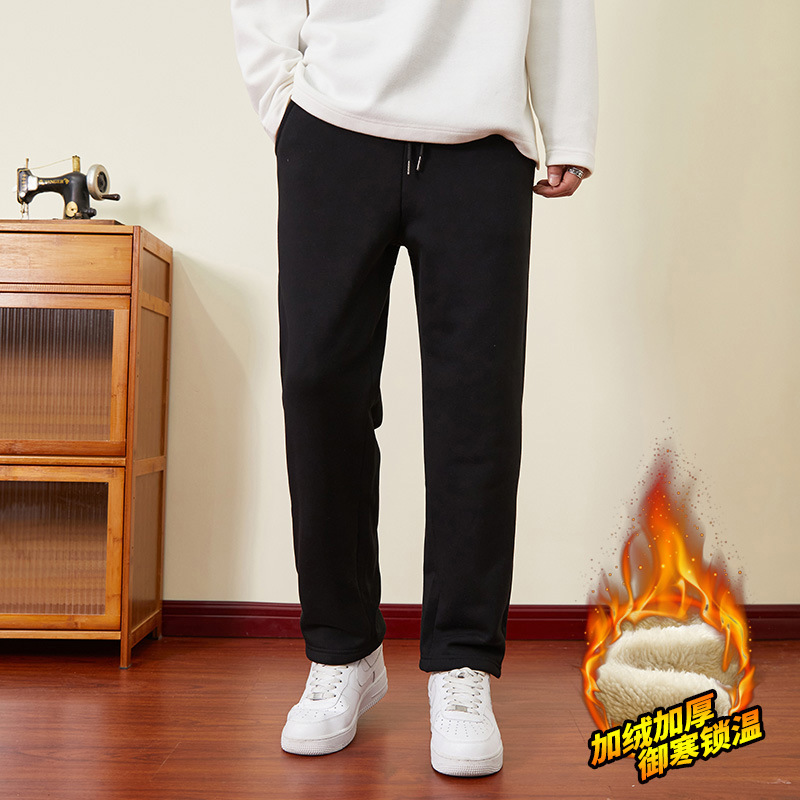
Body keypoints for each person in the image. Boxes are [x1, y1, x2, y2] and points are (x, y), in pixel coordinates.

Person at [230, 0, 598, 777]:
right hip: (332, 126)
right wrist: (281, 100)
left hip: (481, 140)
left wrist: (567, 125)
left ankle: (462, 663)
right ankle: (342, 653)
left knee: (478, 407)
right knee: (319, 388)